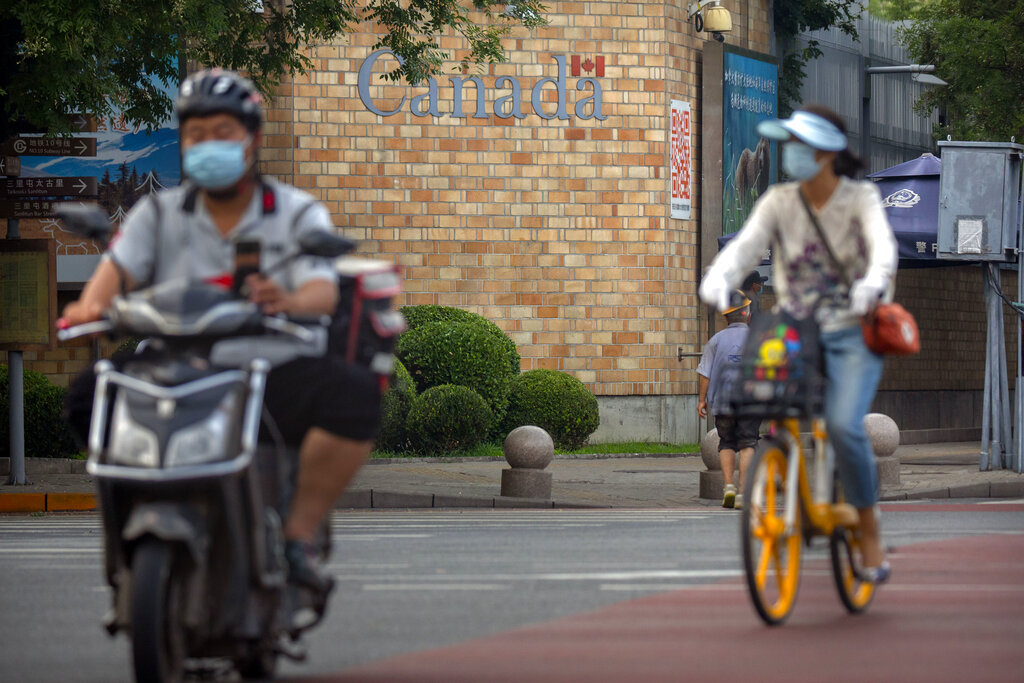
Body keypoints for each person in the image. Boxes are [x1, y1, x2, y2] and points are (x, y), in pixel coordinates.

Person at [61, 69, 381, 592]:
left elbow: (322, 292)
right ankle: (136, 516)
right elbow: (112, 275)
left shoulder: (295, 212)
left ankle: (296, 537)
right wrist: (87, 309)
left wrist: (290, 300)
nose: (209, 144)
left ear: (251, 139)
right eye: (196, 134)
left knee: (354, 397)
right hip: (172, 365)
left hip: (269, 365)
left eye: (223, 133)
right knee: (87, 398)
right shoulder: (159, 213)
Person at [698, 105, 897, 583]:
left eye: (803, 146)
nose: (794, 155)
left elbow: (883, 249)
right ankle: (781, 469)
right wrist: (720, 277)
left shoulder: (860, 199)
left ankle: (867, 527)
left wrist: (873, 281)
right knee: (765, 402)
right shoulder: (780, 201)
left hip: (852, 330)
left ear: (827, 152)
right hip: (791, 331)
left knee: (846, 427)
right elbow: (745, 247)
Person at [697, 291, 758, 509]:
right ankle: (742, 492)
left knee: (727, 443)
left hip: (722, 401)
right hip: (751, 400)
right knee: (748, 442)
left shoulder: (715, 341)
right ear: (748, 316)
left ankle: (729, 486)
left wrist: (702, 400)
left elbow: (705, 373)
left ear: (726, 318)